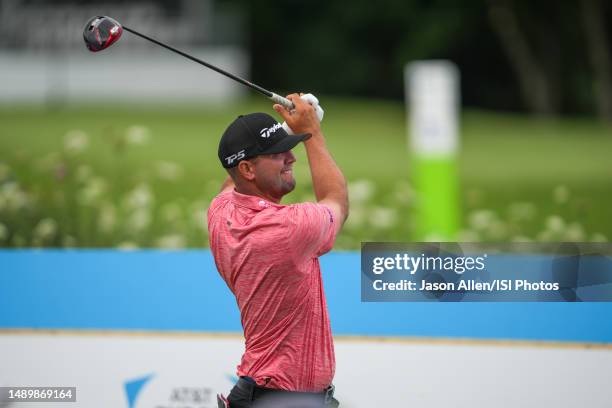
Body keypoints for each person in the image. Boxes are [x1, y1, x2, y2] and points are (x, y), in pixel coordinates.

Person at [207, 93, 349, 408]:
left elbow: (230, 181)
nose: (291, 157)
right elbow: (336, 201)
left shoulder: (221, 211)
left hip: (266, 393)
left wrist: (284, 131)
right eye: (278, 154)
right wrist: (311, 131)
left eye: (287, 149)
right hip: (281, 399)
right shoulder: (289, 227)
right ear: (247, 169)